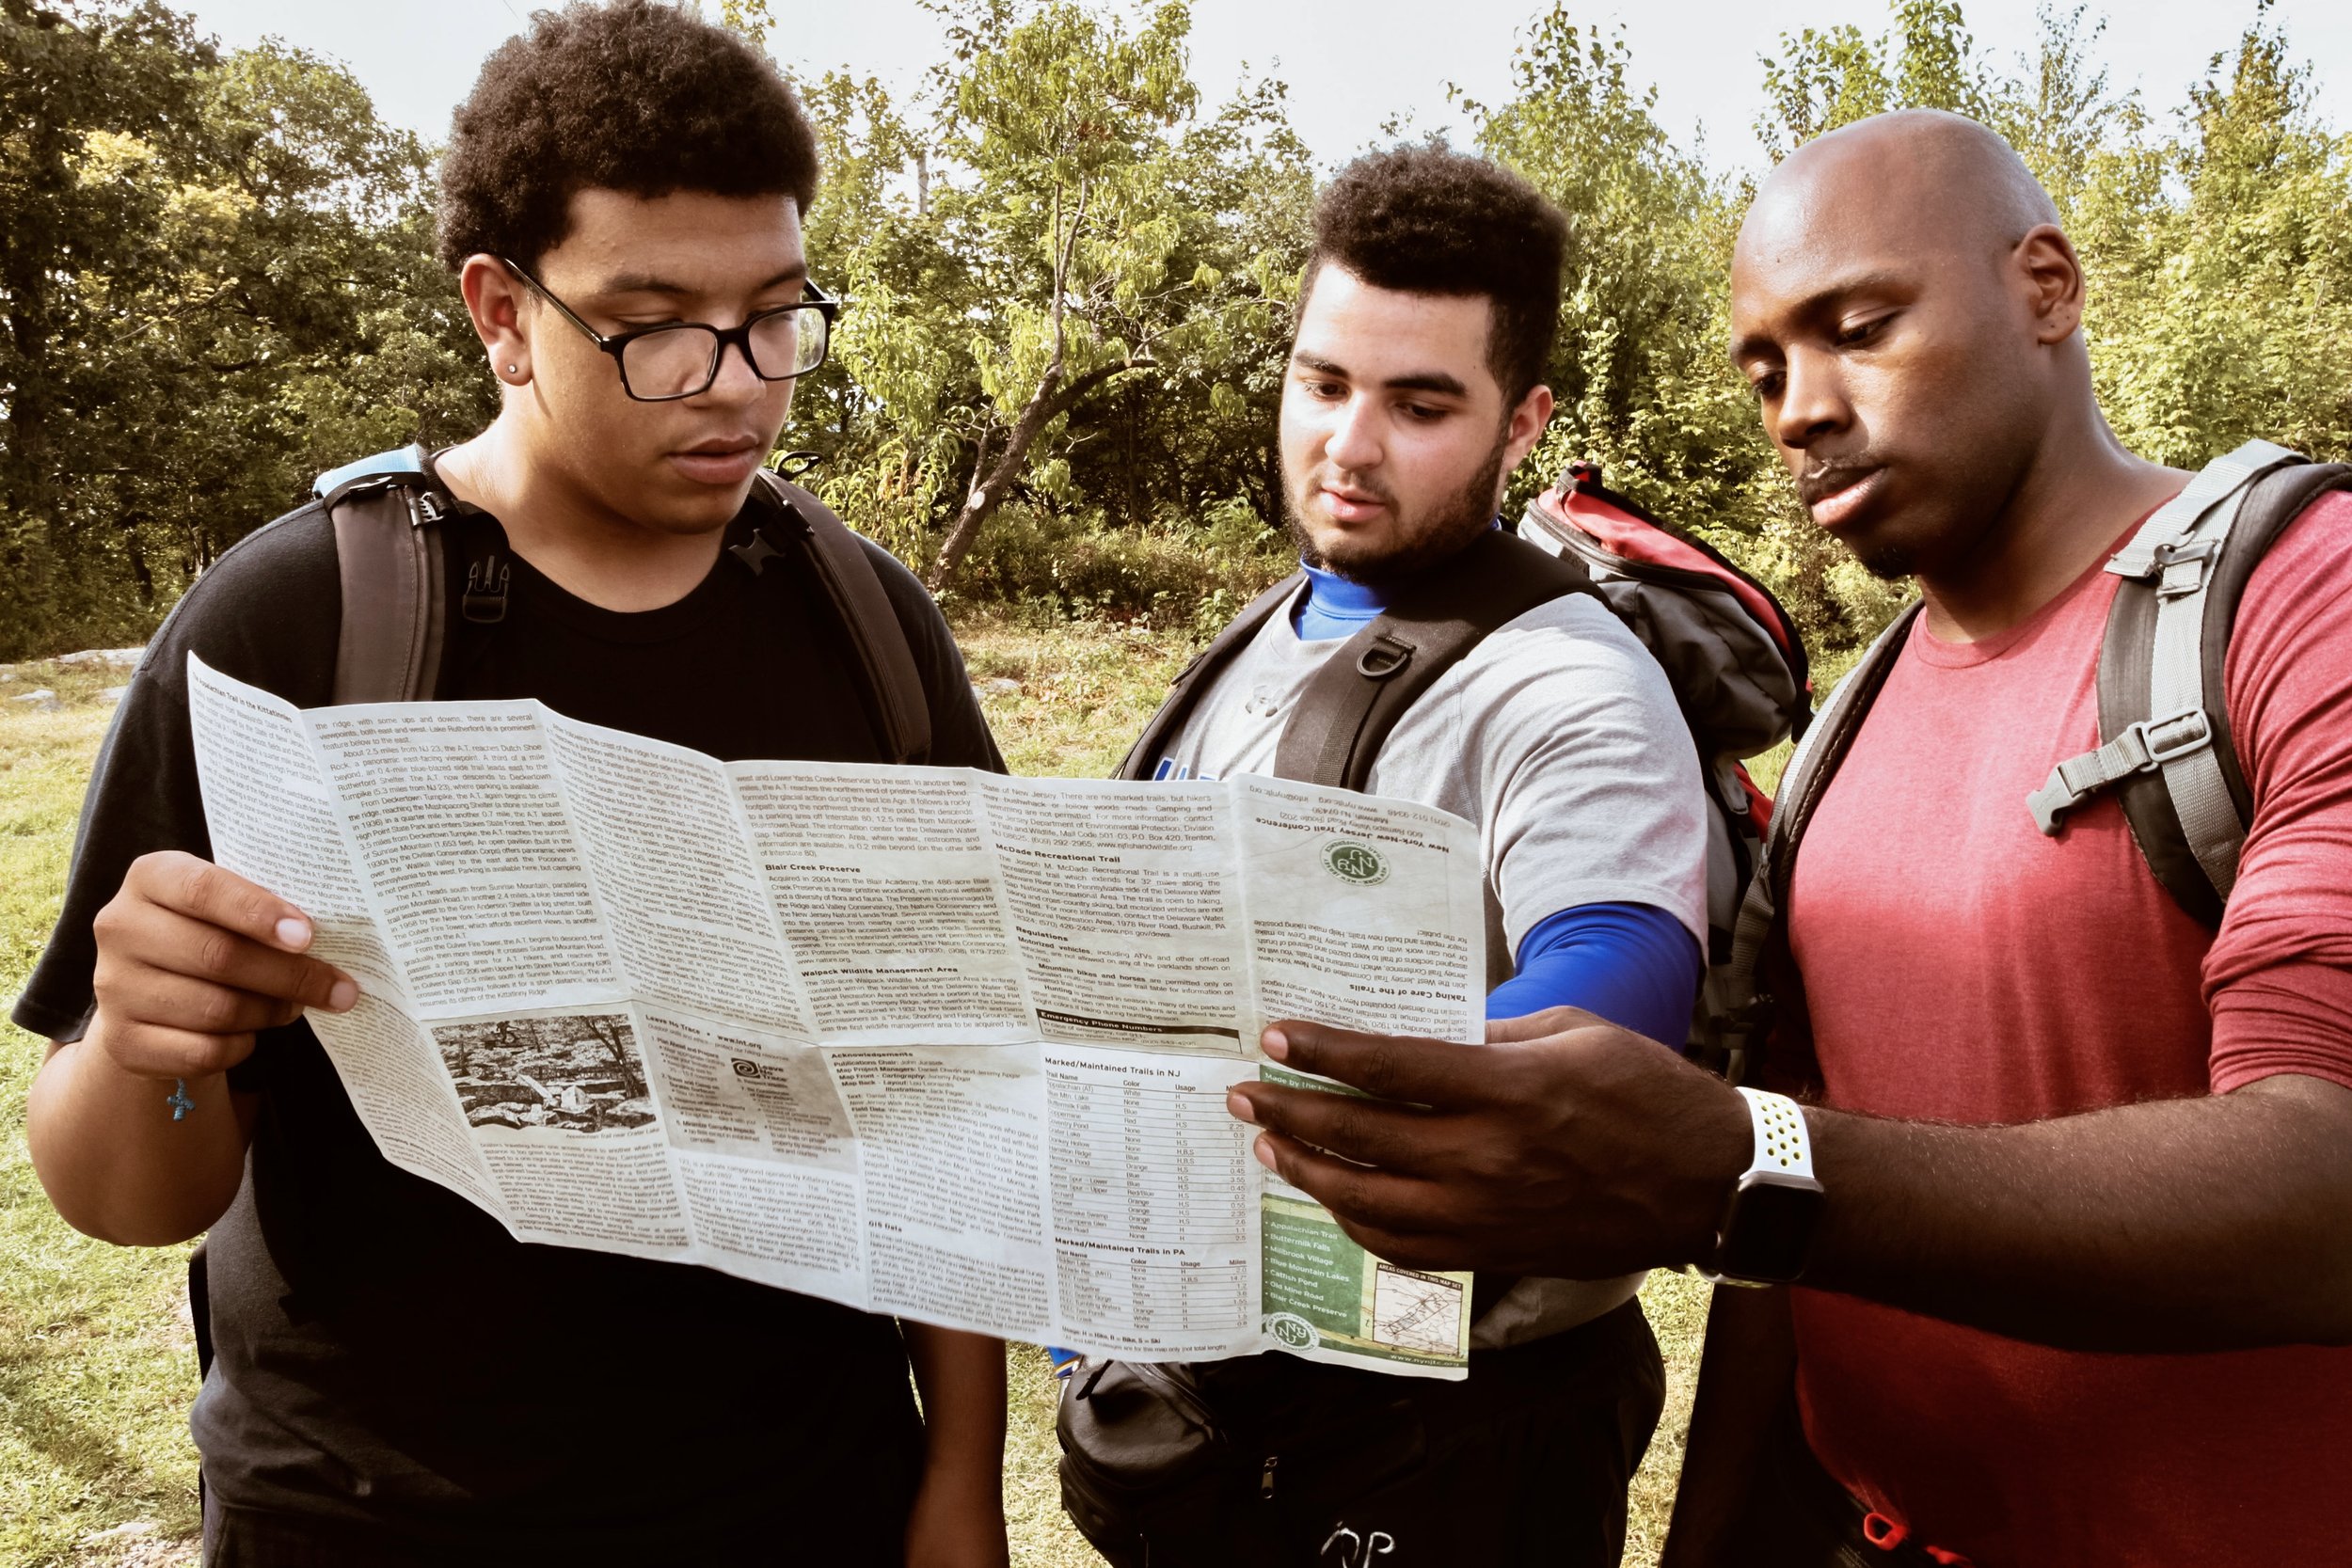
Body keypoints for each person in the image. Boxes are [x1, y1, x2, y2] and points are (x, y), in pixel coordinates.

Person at [1223, 109, 2352, 1567]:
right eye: (1764, 367)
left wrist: (1737, 1166)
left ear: (2047, 289)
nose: (1799, 407)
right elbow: (1784, 1244)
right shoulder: (1852, 722)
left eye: (1860, 327)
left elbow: (2329, 1187)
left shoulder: (2298, 598)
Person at [18, 6, 1010, 1563]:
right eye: (655, 325)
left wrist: (957, 1482)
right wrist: (154, 1044)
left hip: (800, 1497)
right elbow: (126, 1194)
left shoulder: (867, 625)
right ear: (501, 311)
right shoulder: (298, 623)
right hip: (364, 1513)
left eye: (776, 315)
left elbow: (953, 1097)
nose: (736, 385)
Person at [1060, 145, 1711, 1566]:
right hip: (1227, 1401)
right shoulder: (1270, 627)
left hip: (1451, 1435)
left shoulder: (1568, 684)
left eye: (1421, 404)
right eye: (1323, 382)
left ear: (1523, 422)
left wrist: (1263, 1117)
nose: (1350, 444)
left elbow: (1621, 975)